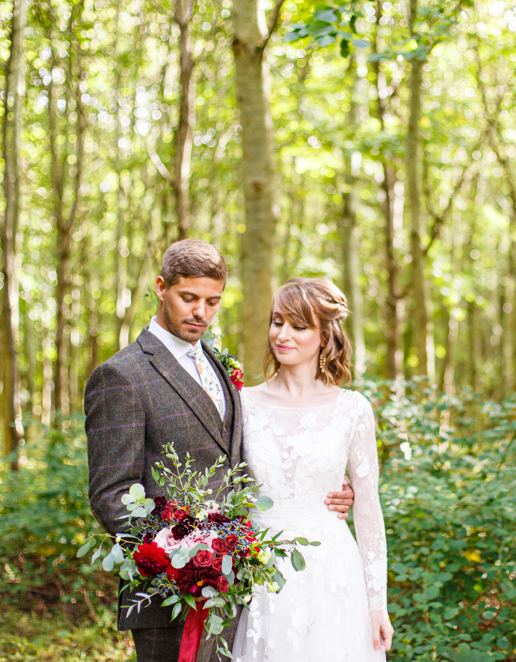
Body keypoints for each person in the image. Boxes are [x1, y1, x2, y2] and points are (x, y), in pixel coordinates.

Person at [84, 240, 355, 662]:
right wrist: (177, 557)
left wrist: (326, 488)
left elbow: (243, 460)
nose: (201, 313)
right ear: (161, 287)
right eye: (188, 298)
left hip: (239, 590)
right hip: (169, 598)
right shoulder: (121, 376)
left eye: (212, 302)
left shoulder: (217, 364)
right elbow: (111, 494)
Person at [232, 278, 394, 661]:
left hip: (332, 572)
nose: (282, 335)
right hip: (259, 572)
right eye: (277, 322)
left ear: (325, 336)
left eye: (298, 326)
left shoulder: (353, 410)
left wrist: (377, 603)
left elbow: (369, 510)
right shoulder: (242, 403)